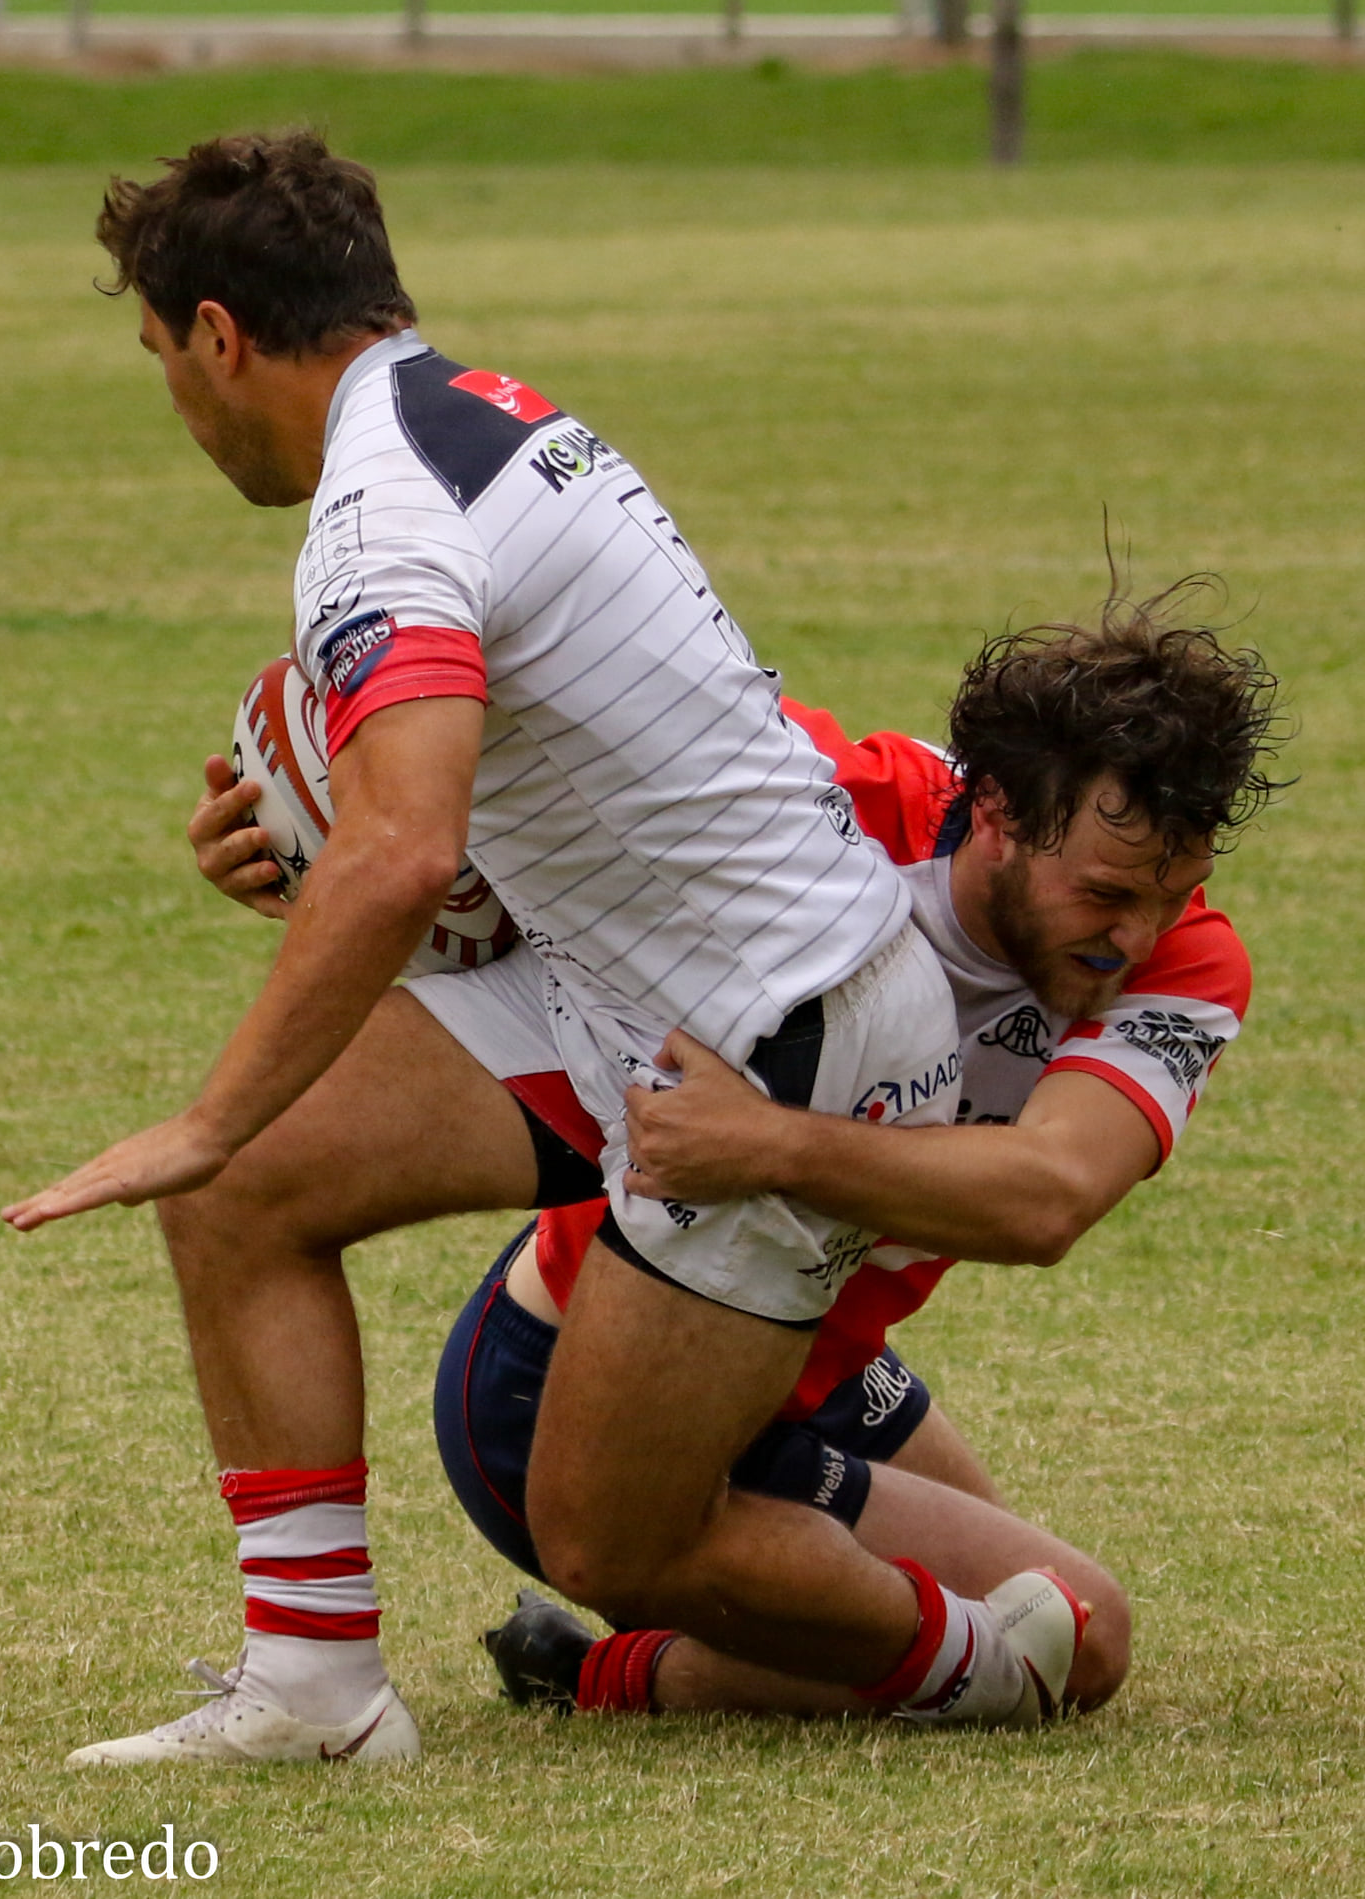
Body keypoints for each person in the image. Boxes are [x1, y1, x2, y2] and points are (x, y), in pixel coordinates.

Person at [1, 130, 1075, 1766]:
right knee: (246, 1196)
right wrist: (304, 853)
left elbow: (403, 849)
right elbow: (514, 822)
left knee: (609, 1537)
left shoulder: (383, 514)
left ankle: (975, 1662)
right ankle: (313, 1690)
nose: (174, 399)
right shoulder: (478, 419)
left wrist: (209, 1106)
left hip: (778, 1038)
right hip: (636, 993)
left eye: (158, 355)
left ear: (218, 334)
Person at [435, 601, 1284, 1722]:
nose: (1137, 937)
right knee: (1074, 1637)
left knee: (1050, 1630)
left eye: (1171, 892)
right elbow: (532, 753)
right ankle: (592, 1672)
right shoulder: (825, 807)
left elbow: (1047, 1197)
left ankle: (615, 1660)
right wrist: (296, 846)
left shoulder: (1187, 959)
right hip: (559, 1383)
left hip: (815, 1369)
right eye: (1107, 894)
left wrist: (768, 1142)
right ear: (997, 813)